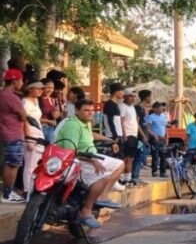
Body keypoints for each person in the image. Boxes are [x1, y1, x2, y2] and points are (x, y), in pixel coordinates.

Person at [54, 98, 125, 229]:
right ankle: (86, 211)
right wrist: (92, 160)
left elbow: (90, 135)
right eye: (86, 110)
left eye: (92, 110)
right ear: (77, 111)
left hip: (91, 156)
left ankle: (102, 196)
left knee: (120, 164)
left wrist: (109, 140)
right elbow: (70, 153)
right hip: (77, 160)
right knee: (103, 176)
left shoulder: (85, 123)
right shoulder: (73, 125)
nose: (90, 113)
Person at [0, 68, 28, 203]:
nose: (22, 83)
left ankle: (8, 192)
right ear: (14, 81)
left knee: (9, 162)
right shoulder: (12, 97)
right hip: (13, 133)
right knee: (13, 164)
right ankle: (7, 194)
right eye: (21, 81)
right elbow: (23, 116)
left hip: (5, 132)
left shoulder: (1, 94)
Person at [22, 79, 46, 196]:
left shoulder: (36, 101)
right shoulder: (25, 102)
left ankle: (33, 189)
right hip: (31, 135)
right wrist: (28, 136)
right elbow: (24, 120)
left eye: (42, 88)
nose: (41, 90)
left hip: (38, 134)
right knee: (30, 164)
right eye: (38, 88)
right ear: (30, 89)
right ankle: (27, 190)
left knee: (36, 164)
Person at [120, 89, 141, 186]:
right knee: (126, 158)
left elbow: (136, 122)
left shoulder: (132, 107)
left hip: (134, 135)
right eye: (130, 96)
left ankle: (128, 178)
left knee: (131, 158)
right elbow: (121, 122)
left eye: (134, 96)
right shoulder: (122, 107)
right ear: (125, 97)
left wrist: (140, 134)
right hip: (127, 135)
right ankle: (123, 179)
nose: (133, 98)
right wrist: (124, 136)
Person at [145, 102, 169, 177]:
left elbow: (166, 127)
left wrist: (167, 137)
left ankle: (163, 172)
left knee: (163, 156)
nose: (162, 109)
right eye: (160, 108)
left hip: (162, 139)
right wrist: (154, 135)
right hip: (155, 139)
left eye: (162, 108)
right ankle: (154, 171)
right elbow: (148, 129)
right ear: (155, 109)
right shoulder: (151, 117)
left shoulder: (164, 116)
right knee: (155, 156)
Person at [39, 78, 60, 143]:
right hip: (41, 128)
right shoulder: (37, 100)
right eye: (48, 88)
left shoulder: (53, 100)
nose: (50, 90)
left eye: (52, 88)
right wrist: (48, 121)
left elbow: (57, 113)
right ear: (42, 87)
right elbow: (34, 118)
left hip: (51, 128)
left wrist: (57, 114)